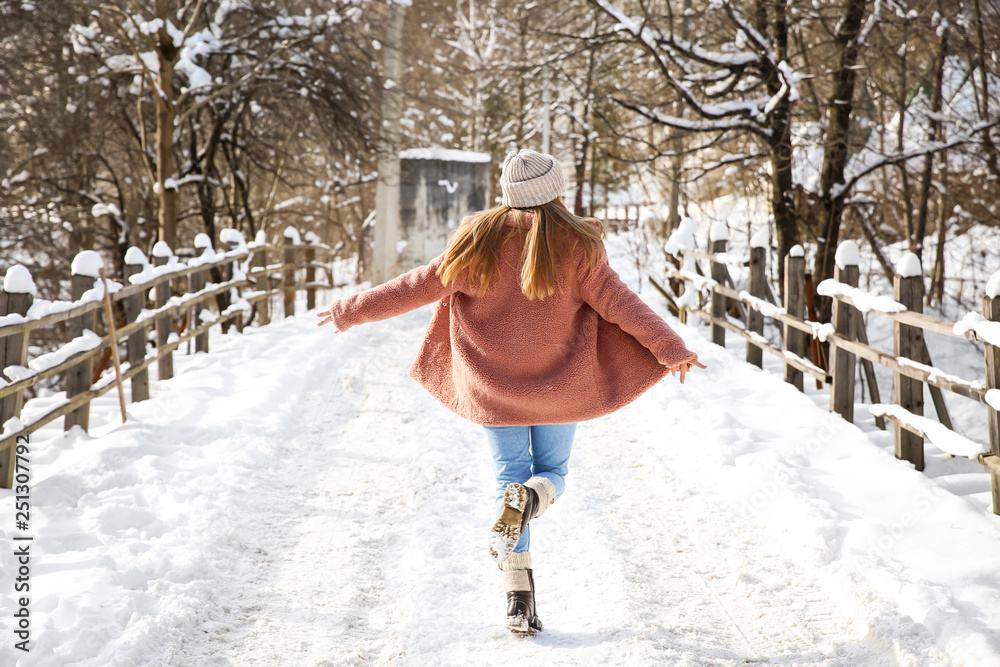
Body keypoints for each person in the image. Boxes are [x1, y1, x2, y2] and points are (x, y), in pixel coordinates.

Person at [317, 148, 705, 634]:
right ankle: (535, 498)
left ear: (507, 192)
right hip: (561, 388)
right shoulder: (579, 246)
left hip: (494, 389)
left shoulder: (477, 239)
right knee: (552, 473)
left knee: (508, 479)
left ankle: (517, 603)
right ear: (556, 191)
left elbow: (417, 285)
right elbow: (621, 305)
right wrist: (671, 348)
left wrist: (351, 310)